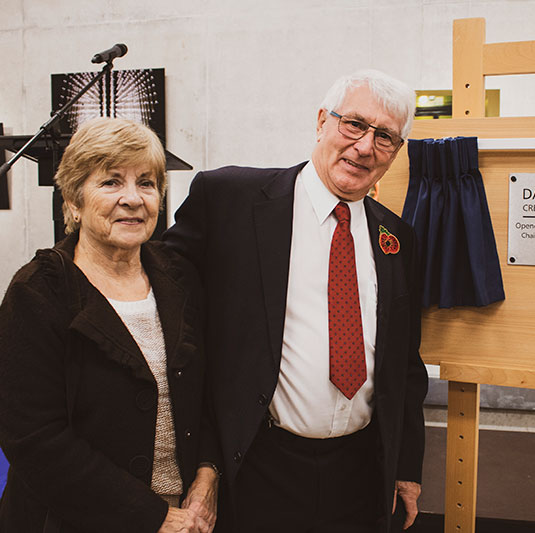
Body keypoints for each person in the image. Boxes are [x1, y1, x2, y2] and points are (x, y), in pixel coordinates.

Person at [163, 70, 428, 532]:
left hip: (362, 470)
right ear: (322, 121)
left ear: (396, 152)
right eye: (354, 124)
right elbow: (161, 289)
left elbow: (404, 362)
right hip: (260, 462)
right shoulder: (230, 200)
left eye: (385, 136)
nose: (365, 146)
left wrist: (406, 466)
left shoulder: (396, 238)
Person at [0, 117, 221, 533]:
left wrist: (207, 474)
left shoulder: (179, 277)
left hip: (187, 519)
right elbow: (36, 441)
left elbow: (205, 396)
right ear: (74, 201)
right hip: (74, 520)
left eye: (146, 183)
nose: (133, 199)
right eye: (111, 182)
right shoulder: (37, 293)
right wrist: (152, 517)